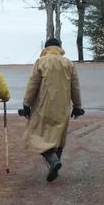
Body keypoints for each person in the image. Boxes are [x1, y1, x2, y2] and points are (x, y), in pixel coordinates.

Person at [21, 38, 84, 182]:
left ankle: (53, 161)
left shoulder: (41, 62)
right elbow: (75, 86)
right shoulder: (69, 63)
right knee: (58, 137)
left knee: (38, 135)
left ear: (46, 47)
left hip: (43, 106)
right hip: (63, 107)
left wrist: (26, 104)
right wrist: (77, 106)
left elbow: (33, 84)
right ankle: (54, 163)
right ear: (59, 47)